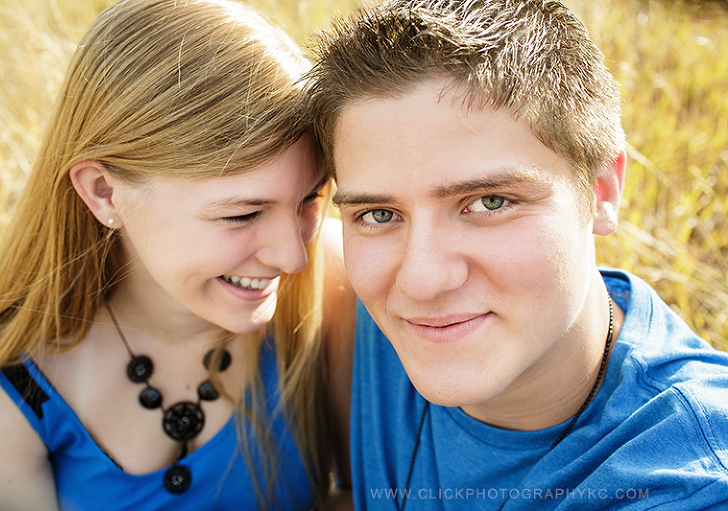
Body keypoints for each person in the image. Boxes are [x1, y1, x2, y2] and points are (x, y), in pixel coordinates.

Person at [306, 0, 728, 509]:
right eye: (378, 214)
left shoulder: (686, 484)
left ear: (602, 190)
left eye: (489, 202)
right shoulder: (347, 296)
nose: (421, 281)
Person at [0, 0, 355, 509]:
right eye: (242, 215)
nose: (293, 257)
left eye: (309, 200)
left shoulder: (333, 280)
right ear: (104, 192)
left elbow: (366, 493)